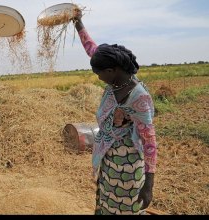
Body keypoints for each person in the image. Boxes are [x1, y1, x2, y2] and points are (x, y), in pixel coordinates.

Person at [72, 9, 157, 215]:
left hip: (128, 164)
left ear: (112, 71)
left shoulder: (138, 97)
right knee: (106, 203)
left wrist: (148, 185)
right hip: (109, 155)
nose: (98, 78)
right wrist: (78, 23)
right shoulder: (115, 77)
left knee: (124, 207)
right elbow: (93, 49)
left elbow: (150, 142)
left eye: (99, 74)